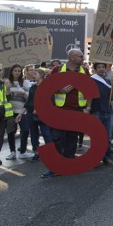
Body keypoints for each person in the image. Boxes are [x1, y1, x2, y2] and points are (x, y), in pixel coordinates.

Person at [42, 49, 89, 178]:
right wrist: (59, 91)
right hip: (60, 111)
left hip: (77, 111)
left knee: (72, 137)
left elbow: (89, 91)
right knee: (57, 138)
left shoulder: (84, 71)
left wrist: (87, 108)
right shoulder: (57, 70)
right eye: (80, 56)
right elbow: (47, 87)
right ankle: (55, 167)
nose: (83, 58)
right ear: (72, 58)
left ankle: (69, 163)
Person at [90, 62, 113, 166]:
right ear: (95, 69)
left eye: (103, 67)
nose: (101, 69)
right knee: (96, 137)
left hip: (108, 111)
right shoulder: (92, 80)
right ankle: (95, 159)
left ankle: (107, 158)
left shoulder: (108, 81)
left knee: (107, 137)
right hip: (96, 111)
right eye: (99, 67)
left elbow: (112, 98)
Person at [5, 64, 32, 160]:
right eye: (15, 70)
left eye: (19, 71)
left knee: (25, 130)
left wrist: (24, 93)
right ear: (11, 71)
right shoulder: (7, 82)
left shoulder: (24, 82)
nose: (17, 72)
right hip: (10, 111)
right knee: (11, 131)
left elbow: (30, 97)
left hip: (22, 111)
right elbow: (4, 97)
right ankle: (12, 152)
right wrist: (8, 89)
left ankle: (23, 151)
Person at [24, 68, 51, 162]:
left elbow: (50, 100)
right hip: (31, 113)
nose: (33, 75)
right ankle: (36, 152)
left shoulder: (47, 86)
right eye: (33, 73)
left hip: (44, 114)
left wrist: (40, 109)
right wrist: (21, 113)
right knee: (33, 134)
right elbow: (29, 101)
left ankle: (50, 153)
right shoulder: (33, 87)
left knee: (46, 133)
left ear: (42, 75)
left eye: (35, 73)